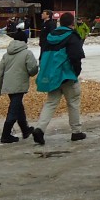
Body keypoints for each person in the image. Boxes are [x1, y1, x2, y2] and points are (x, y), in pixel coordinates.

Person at [32, 11, 85, 144]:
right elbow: (76, 57)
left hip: (52, 75)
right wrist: (76, 72)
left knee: (51, 103)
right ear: (72, 23)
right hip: (67, 75)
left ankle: (40, 128)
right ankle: (76, 131)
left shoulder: (50, 36)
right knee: (73, 103)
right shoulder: (72, 36)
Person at [0, 25, 38, 143]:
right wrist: (35, 70)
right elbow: (32, 70)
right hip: (19, 85)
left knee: (17, 107)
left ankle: (25, 129)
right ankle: (5, 134)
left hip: (8, 84)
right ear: (25, 41)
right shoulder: (27, 53)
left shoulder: (6, 55)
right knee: (13, 109)